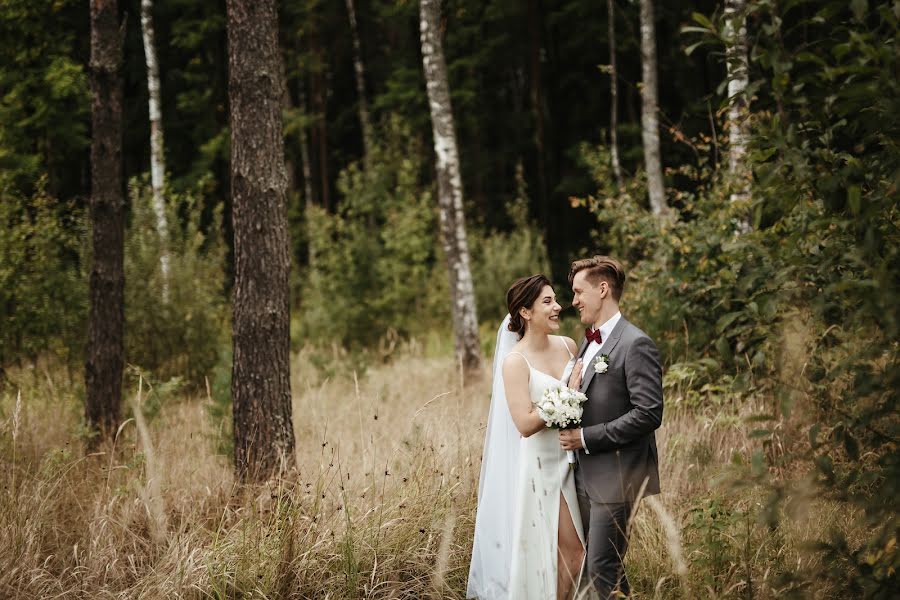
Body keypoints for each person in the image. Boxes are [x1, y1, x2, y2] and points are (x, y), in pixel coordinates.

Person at [467, 274, 586, 600]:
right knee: (574, 555)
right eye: (547, 302)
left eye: (555, 299)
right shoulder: (515, 363)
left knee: (564, 556)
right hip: (542, 468)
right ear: (525, 312)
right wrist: (567, 393)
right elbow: (524, 423)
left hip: (578, 459)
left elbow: (581, 405)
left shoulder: (568, 346)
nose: (558, 306)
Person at [559, 256, 664, 598]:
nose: (573, 301)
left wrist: (585, 438)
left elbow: (648, 413)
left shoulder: (636, 343)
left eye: (578, 292)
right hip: (584, 476)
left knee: (599, 571)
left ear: (602, 289)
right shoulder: (589, 343)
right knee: (610, 570)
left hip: (618, 477)